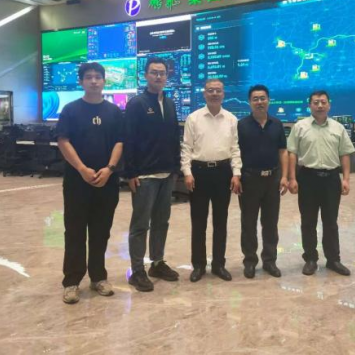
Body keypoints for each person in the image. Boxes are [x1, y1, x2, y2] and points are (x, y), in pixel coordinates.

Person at [57, 62, 125, 304]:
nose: (94, 81)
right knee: (74, 232)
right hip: (77, 183)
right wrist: (82, 169)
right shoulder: (71, 110)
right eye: (89, 77)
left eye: (98, 77)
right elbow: (63, 141)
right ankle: (72, 281)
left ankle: (98, 277)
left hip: (107, 182)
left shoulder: (114, 111)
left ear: (104, 81)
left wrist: (109, 169)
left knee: (101, 232)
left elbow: (120, 142)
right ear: (81, 81)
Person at [124, 57, 181, 292]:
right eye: (154, 72)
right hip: (144, 176)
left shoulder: (170, 103)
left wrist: (175, 168)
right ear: (145, 76)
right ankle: (137, 270)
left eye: (162, 73)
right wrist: (130, 173)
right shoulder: (136, 104)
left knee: (161, 222)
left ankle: (157, 263)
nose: (158, 76)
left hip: (167, 175)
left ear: (167, 76)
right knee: (140, 225)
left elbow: (174, 137)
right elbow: (128, 139)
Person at [287, 90, 355, 277]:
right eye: (316, 102)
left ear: (329, 105)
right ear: (309, 105)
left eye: (323, 102)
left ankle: (333, 260)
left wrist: (346, 179)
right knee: (308, 221)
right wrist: (292, 178)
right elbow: (292, 153)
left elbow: (345, 154)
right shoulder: (300, 127)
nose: (319, 105)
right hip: (307, 178)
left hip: (331, 179)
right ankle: (310, 259)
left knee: (331, 222)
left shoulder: (338, 128)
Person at [181, 79, 242, 282]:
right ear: (204, 93)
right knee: (198, 222)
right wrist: (187, 172)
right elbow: (186, 148)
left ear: (223, 94)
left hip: (223, 173)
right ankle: (198, 265)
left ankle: (218, 265)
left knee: (220, 222)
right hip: (199, 173)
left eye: (218, 90)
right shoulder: (193, 118)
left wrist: (236, 173)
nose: (214, 94)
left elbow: (235, 148)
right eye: (210, 90)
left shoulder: (231, 119)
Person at [237, 85, 288, 279]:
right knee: (248, 223)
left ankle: (269, 261)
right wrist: (237, 176)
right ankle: (250, 261)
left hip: (272, 180)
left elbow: (282, 151)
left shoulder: (277, 124)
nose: (259, 102)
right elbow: (236, 153)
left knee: (271, 223)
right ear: (249, 102)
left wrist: (284, 176)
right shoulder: (241, 125)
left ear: (269, 100)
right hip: (249, 179)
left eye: (263, 98)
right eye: (255, 99)